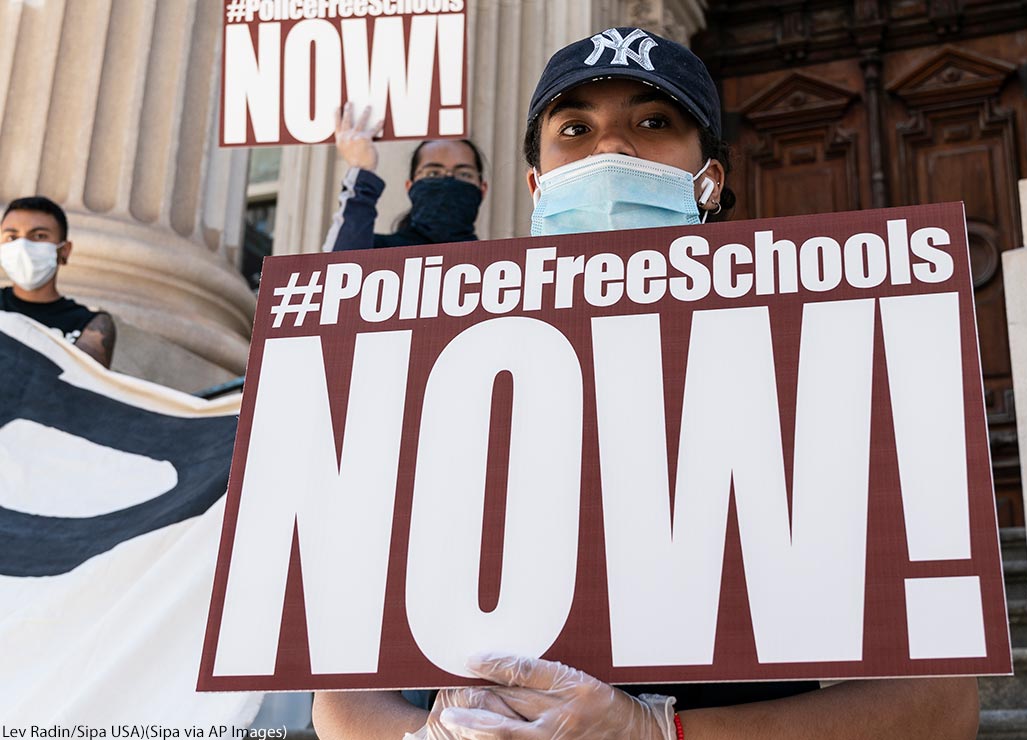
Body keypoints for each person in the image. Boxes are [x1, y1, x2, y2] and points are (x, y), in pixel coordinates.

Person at [313, 28, 980, 740]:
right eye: (576, 128)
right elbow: (339, 691)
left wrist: (656, 733)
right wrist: (416, 738)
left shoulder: (817, 366)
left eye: (653, 122)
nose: (610, 149)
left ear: (710, 180)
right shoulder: (447, 371)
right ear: (537, 186)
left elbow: (940, 704)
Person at [322, 102, 487, 252]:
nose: (448, 181)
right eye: (433, 173)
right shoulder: (378, 250)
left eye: (464, 174)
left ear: (482, 189)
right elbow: (339, 271)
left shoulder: (498, 266)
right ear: (410, 186)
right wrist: (362, 171)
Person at [1, 196, 115, 368]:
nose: (22, 246)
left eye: (39, 236)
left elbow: (79, 387)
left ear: (64, 250)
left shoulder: (90, 324)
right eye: (12, 237)